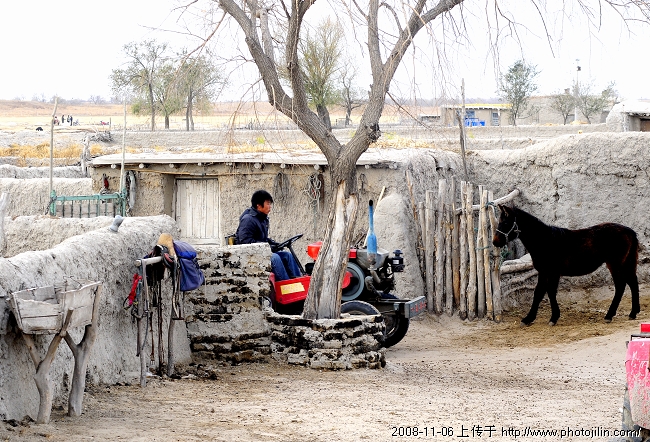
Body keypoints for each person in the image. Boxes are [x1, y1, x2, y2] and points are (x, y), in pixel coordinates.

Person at [235, 190, 302, 281]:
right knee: (275, 258)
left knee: (287, 255)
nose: (270, 206)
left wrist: (274, 244)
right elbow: (245, 242)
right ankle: (285, 286)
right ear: (259, 205)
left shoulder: (262, 219)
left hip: (262, 252)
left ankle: (299, 281)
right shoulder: (248, 220)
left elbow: (263, 238)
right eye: (268, 204)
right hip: (250, 255)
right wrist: (267, 247)